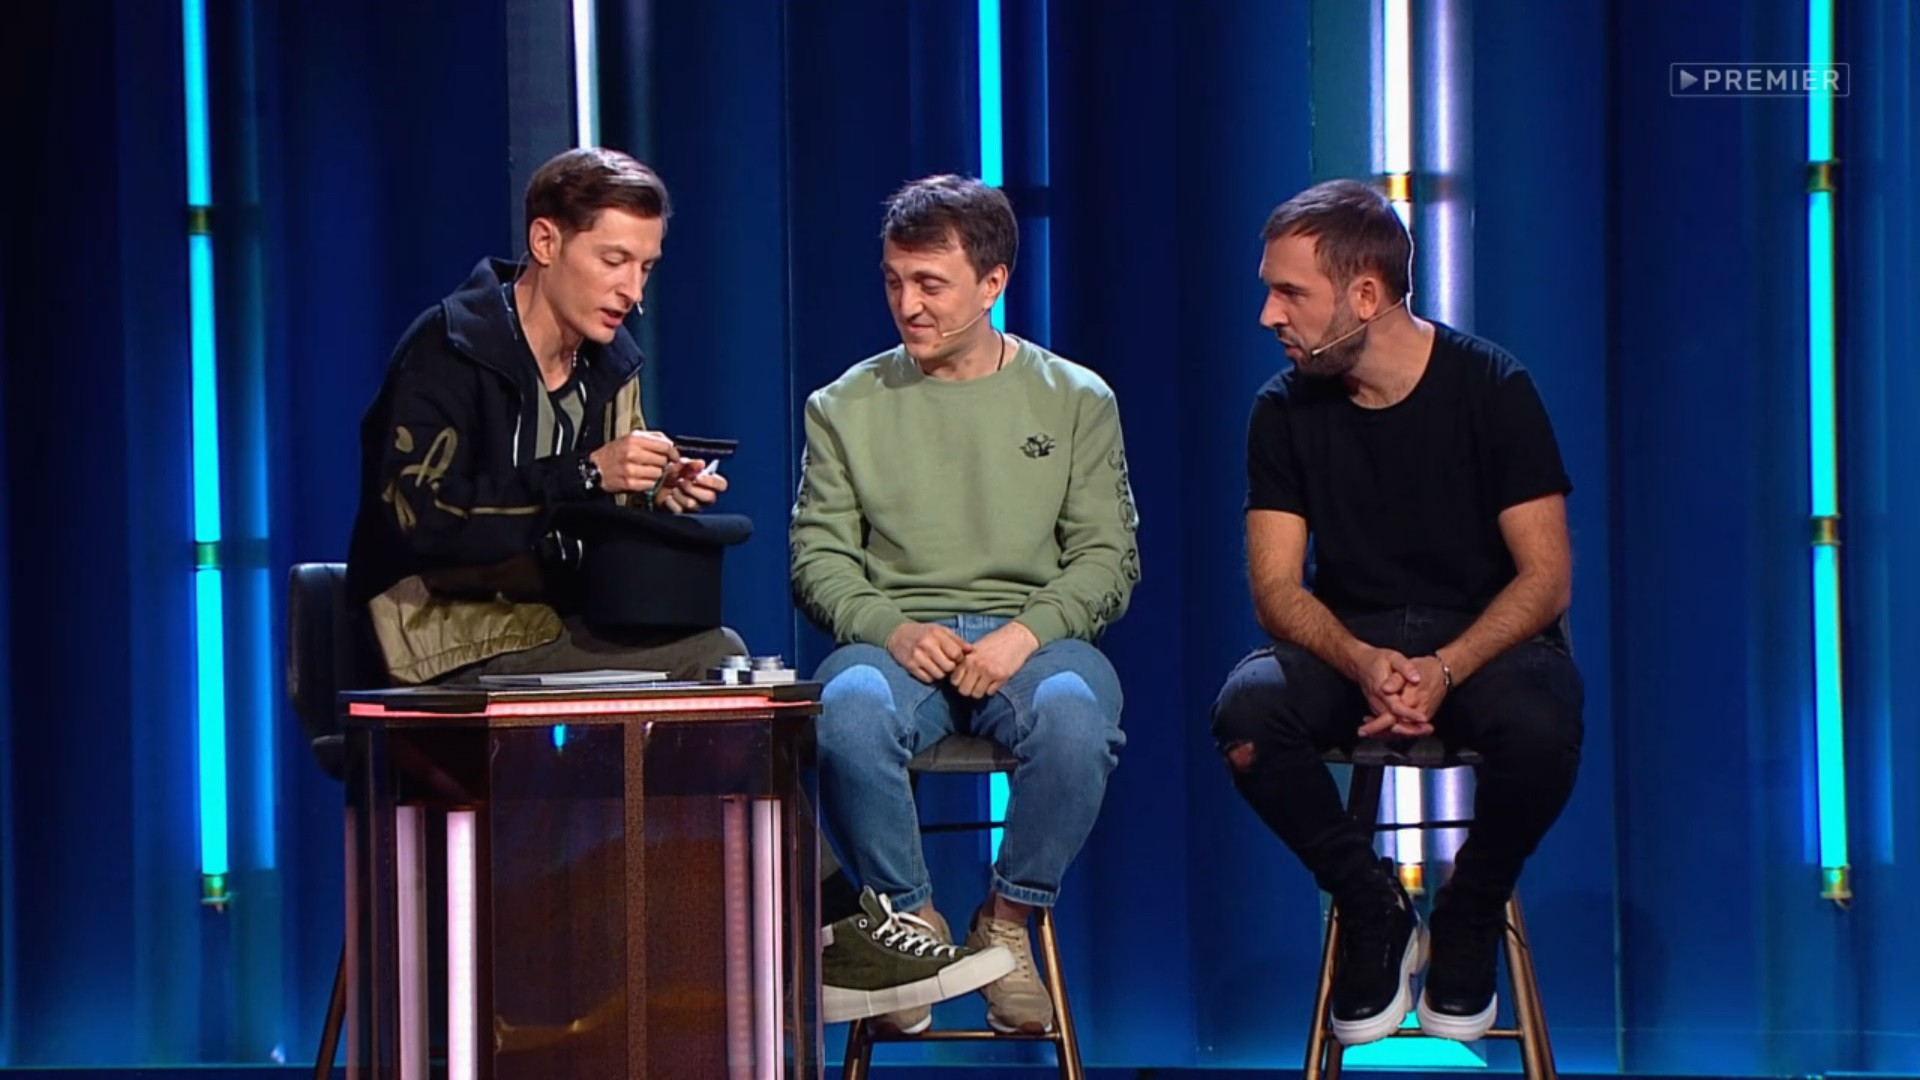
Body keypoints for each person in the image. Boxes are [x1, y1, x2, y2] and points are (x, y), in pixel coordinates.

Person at [1210, 179, 1584, 1046]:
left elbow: (1545, 580)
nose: (1268, 315)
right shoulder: (1281, 410)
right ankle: (1370, 903)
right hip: (1355, 643)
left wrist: (1446, 668)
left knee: (1544, 721)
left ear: (1366, 295)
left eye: (1290, 293)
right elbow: (1275, 589)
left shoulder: (1492, 386)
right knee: (1247, 715)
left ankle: (1472, 909)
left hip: (1484, 646)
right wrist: (1361, 660)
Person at [791, 174, 1140, 1034]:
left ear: (992, 284)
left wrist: (1026, 634)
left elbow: (1108, 559)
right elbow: (818, 561)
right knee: (846, 711)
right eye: (893, 281)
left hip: (1033, 641)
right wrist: (892, 629)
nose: (907, 305)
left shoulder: (1077, 399)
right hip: (898, 643)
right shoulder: (842, 406)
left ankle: (1007, 923)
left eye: (930, 284)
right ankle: (911, 928)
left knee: (1075, 717)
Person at [345, 147, 738, 686]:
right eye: (614, 261)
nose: (633, 291)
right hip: (442, 636)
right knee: (711, 661)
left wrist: (651, 492)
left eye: (645, 268)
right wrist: (587, 471)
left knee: (723, 655)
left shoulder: (611, 366)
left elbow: (595, 516)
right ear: (545, 242)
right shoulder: (449, 349)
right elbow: (423, 520)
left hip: (562, 619)